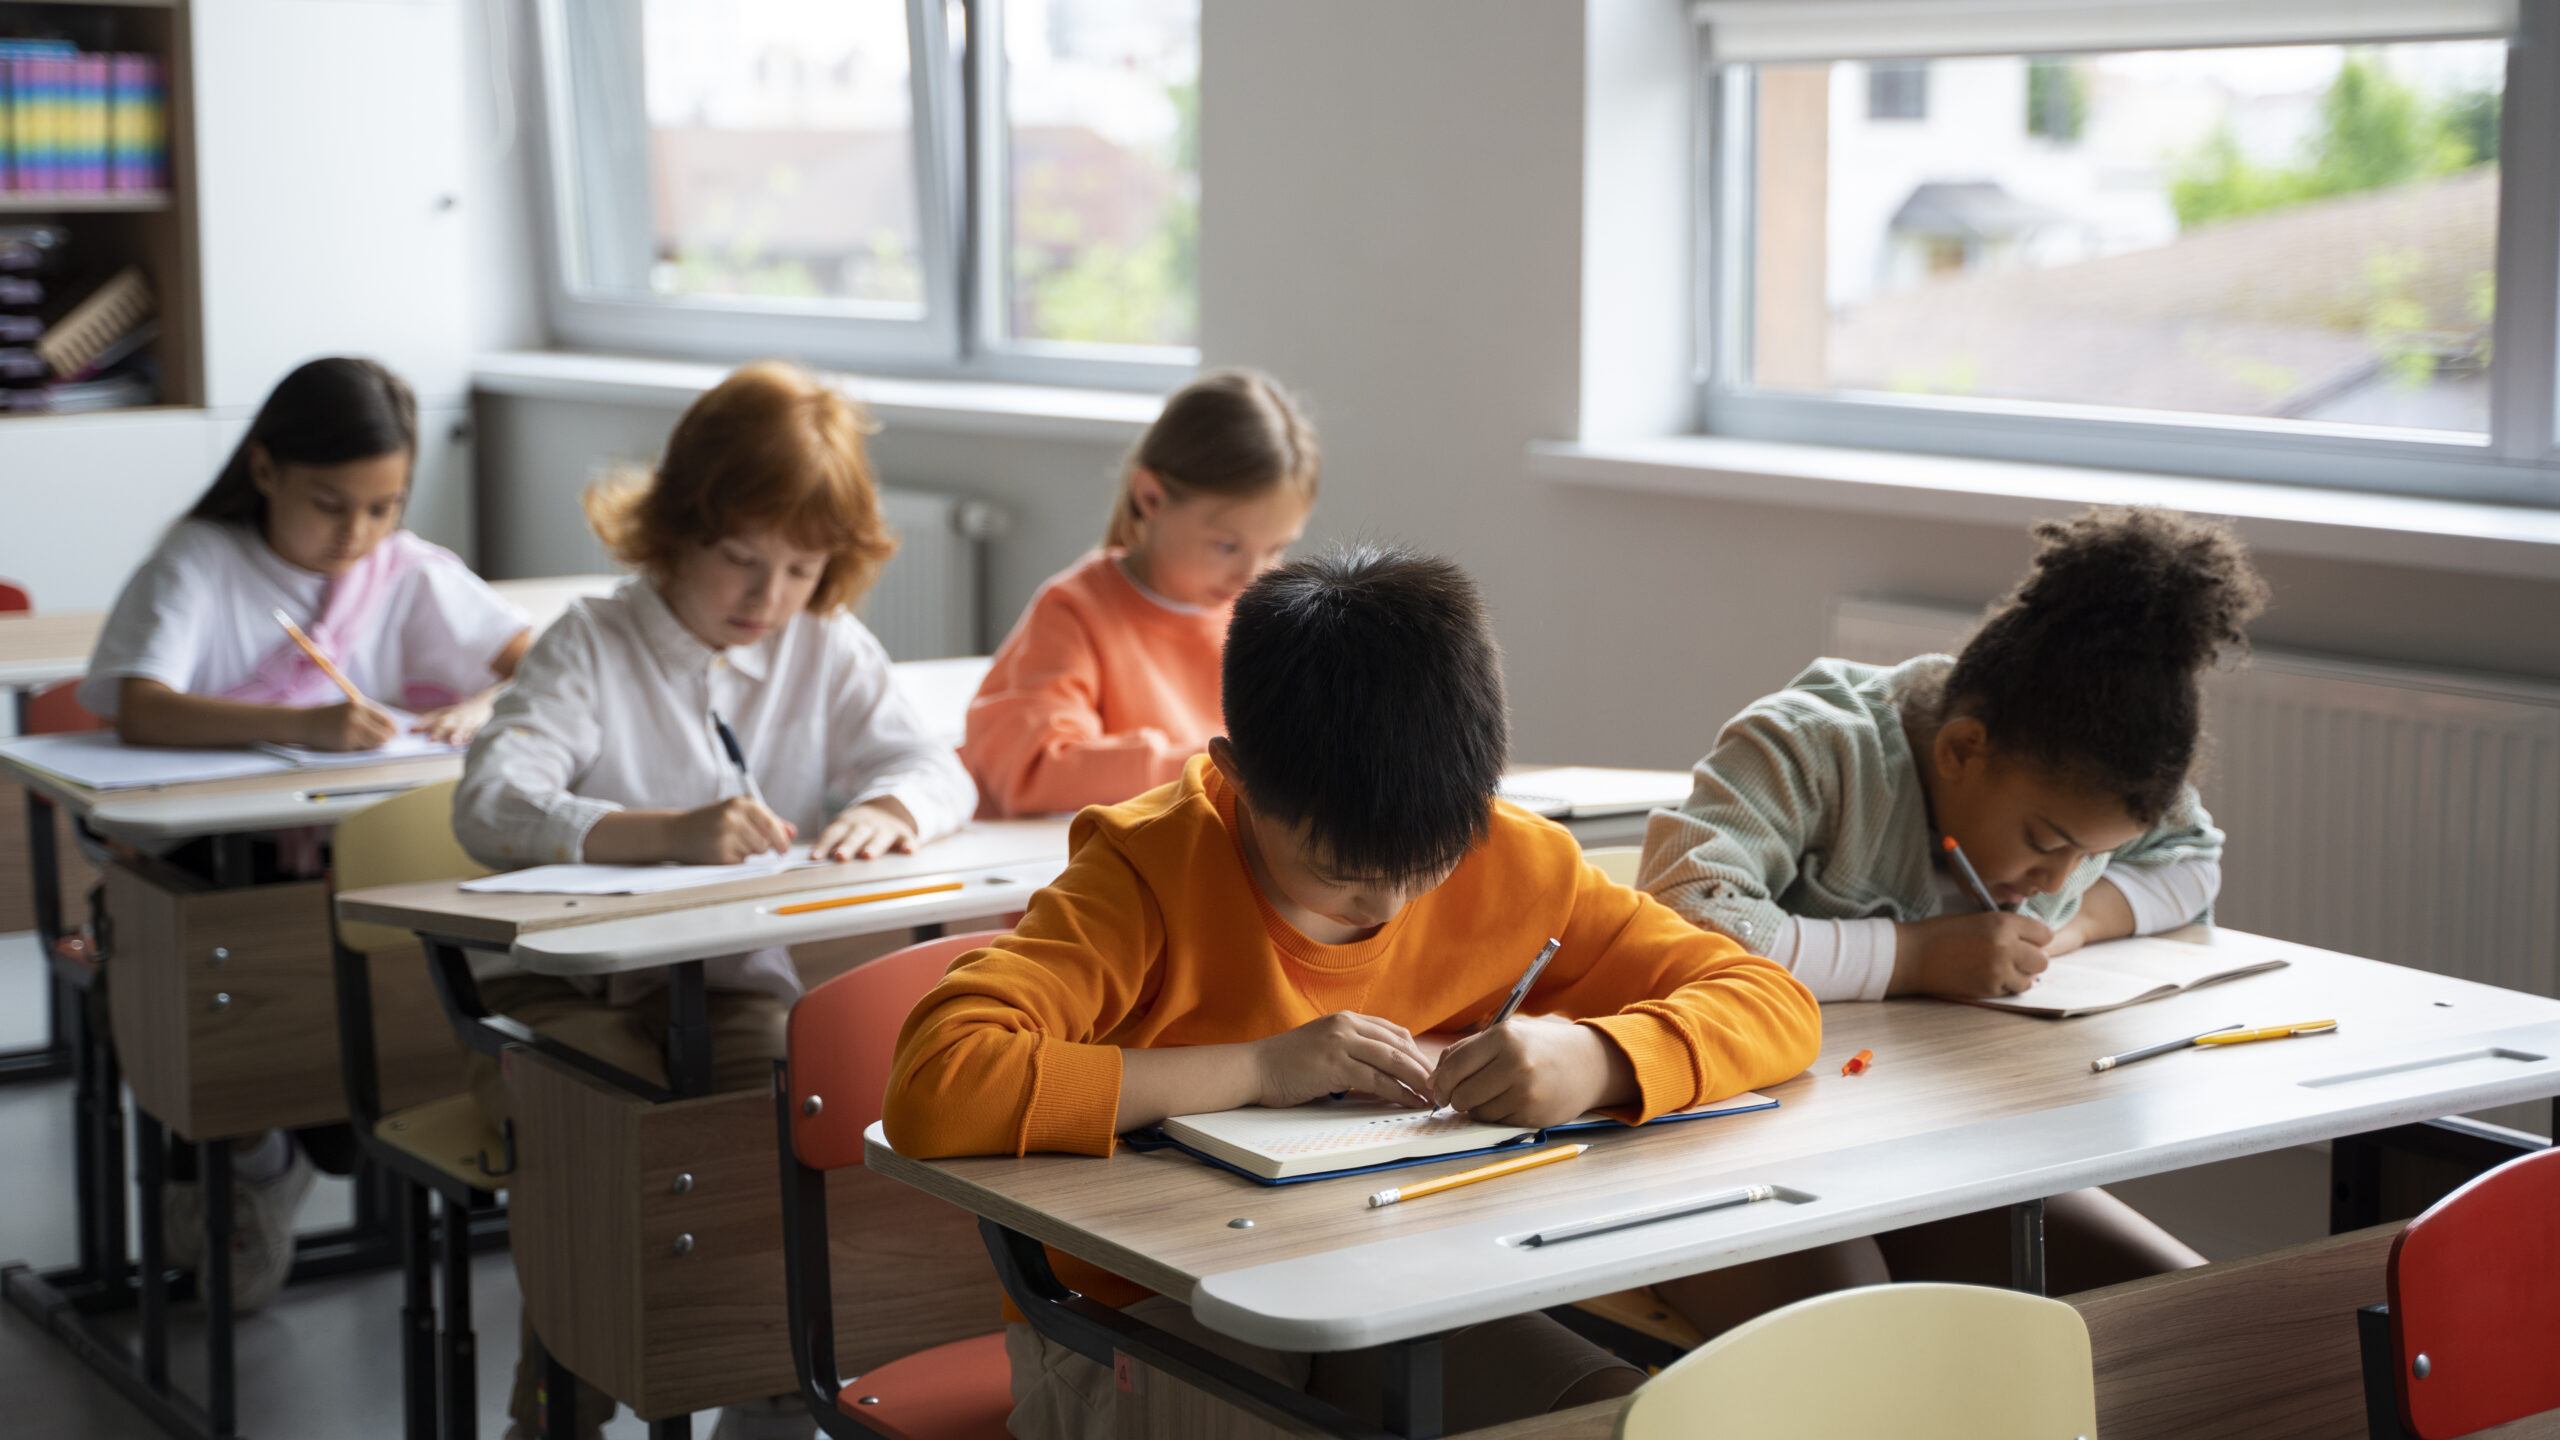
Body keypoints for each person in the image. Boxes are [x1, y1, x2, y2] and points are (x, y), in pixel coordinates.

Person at [887, 544, 1822, 1439]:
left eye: (1429, 866)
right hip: (1140, 1307)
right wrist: (1258, 1069)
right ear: (1237, 775)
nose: (1390, 906)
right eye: (1341, 875)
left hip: (1396, 1277)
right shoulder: (1146, 874)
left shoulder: (1515, 858)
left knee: (1608, 1414)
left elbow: (1769, 1001)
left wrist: (1599, 1058)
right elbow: (938, 1082)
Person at [454, 361, 977, 1440]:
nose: (768, 598)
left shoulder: (820, 642)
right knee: (617, 1153)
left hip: (730, 984)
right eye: (741, 560)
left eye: (800, 569)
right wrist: (662, 833)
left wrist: (892, 807)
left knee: (776, 1136)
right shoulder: (591, 643)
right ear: (676, 530)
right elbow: (491, 802)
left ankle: (770, 1387)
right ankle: (557, 1410)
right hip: (567, 992)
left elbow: (936, 765)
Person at [1639, 505, 2266, 1330]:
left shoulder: (2095, 778)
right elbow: (1686, 912)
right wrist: (1910, 958)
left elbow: (2191, 859)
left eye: (2089, 857)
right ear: (1962, 749)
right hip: (1746, 1150)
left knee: (2200, 1316)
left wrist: (2071, 927)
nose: (2056, 877)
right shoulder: (1813, 746)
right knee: (1867, 1329)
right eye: (2045, 842)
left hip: (1945, 1146)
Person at [81, 355, 533, 1314]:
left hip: (352, 855)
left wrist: (483, 704)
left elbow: (538, 661)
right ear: (264, 469)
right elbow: (140, 706)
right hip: (222, 862)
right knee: (233, 995)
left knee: (365, 1008)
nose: (355, 534)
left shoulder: (404, 569)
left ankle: (288, 1141)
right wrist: (302, 724)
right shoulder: (201, 559)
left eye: (383, 507)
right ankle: (247, 1151)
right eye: (331, 505)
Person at [962, 368, 1317, 816]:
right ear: (1150, 498)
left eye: (1275, 548)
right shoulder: (1075, 611)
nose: (1252, 575)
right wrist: (1225, 768)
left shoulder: (1278, 611)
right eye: (1227, 546)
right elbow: (1032, 771)